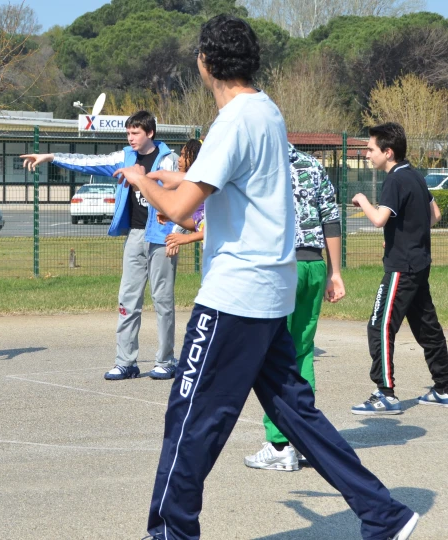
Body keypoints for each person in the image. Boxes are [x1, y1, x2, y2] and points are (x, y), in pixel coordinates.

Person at [113, 15, 418, 540]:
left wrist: (143, 180)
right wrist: (181, 175)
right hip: (269, 290)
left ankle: (169, 532)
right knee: (297, 415)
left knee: (189, 420)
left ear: (206, 64)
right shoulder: (267, 110)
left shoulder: (231, 122)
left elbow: (185, 213)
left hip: (235, 295)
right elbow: (240, 181)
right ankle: (384, 513)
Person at [21, 111, 181, 381]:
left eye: (135, 133)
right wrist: (50, 157)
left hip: (162, 236)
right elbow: (87, 162)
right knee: (128, 301)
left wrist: (176, 233)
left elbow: (181, 197)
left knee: (163, 301)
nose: (130, 138)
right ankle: (126, 362)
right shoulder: (123, 157)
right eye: (128, 133)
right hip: (135, 235)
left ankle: (166, 360)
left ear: (150, 133)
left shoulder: (168, 160)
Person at [243, 143, 346, 471]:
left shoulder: (258, 164)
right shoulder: (313, 165)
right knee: (301, 351)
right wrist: (335, 272)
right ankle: (303, 440)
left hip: (278, 265)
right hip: (313, 265)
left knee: (271, 356)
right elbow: (331, 217)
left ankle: (278, 444)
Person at [351, 122, 448, 414]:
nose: (367, 155)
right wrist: (404, 237)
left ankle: (385, 393)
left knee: (379, 325)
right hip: (418, 263)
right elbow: (435, 214)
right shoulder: (415, 175)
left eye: (370, 150)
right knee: (426, 326)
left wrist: (363, 200)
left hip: (402, 268)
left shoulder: (394, 179)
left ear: (388, 152)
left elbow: (379, 219)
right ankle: (444, 386)